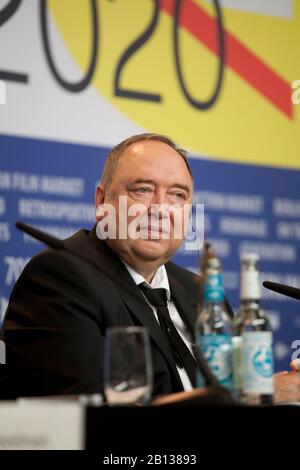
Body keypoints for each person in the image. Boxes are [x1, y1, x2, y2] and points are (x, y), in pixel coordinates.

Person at [0, 133, 299, 402]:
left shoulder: (202, 293)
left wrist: (275, 386)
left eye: (178, 195)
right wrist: (257, 392)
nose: (160, 209)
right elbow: (89, 418)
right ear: (102, 200)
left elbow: (230, 400)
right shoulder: (60, 276)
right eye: (142, 190)